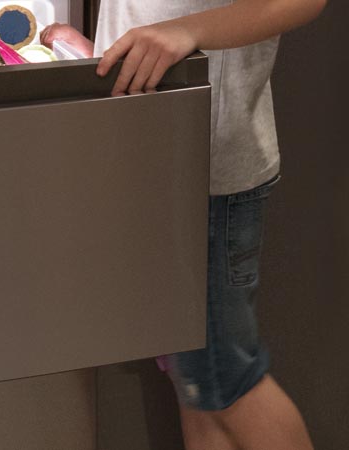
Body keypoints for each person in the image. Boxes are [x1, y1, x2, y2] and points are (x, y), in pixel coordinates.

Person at [40, 1, 326, 449]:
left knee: (226, 382)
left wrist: (186, 31)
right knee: (195, 383)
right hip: (157, 163)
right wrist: (99, 54)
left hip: (205, 173)